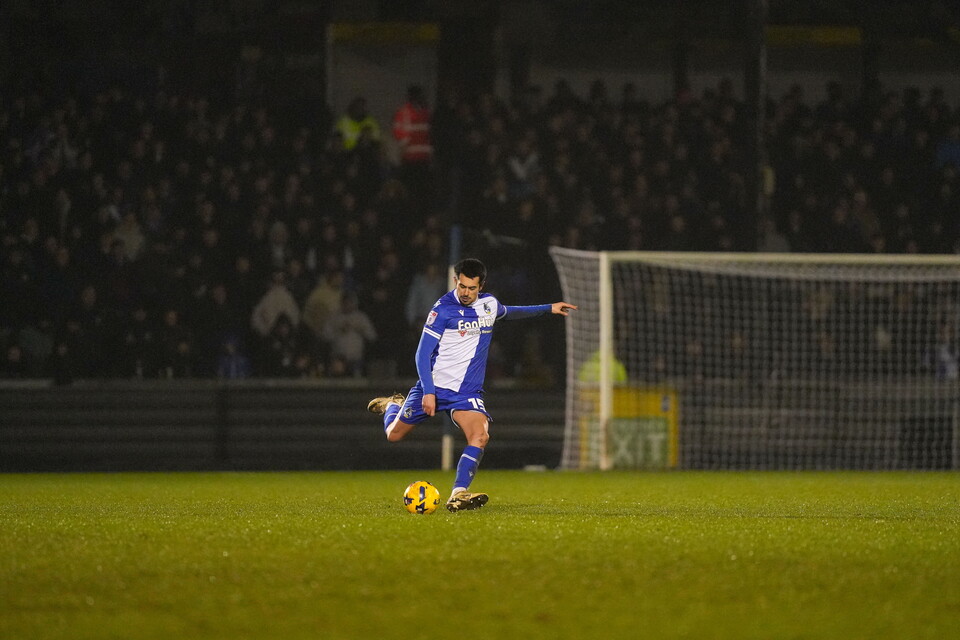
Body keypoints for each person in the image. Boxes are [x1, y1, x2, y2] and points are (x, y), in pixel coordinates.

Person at [366, 258, 577, 512]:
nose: (466, 292)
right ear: (456, 281)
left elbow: (510, 312)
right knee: (394, 435)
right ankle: (393, 405)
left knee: (480, 435)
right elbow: (422, 354)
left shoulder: (489, 305)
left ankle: (458, 493)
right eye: (462, 286)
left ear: (481, 286)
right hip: (432, 386)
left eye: (471, 288)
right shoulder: (442, 309)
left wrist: (548, 308)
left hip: (465, 393)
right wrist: (429, 392)